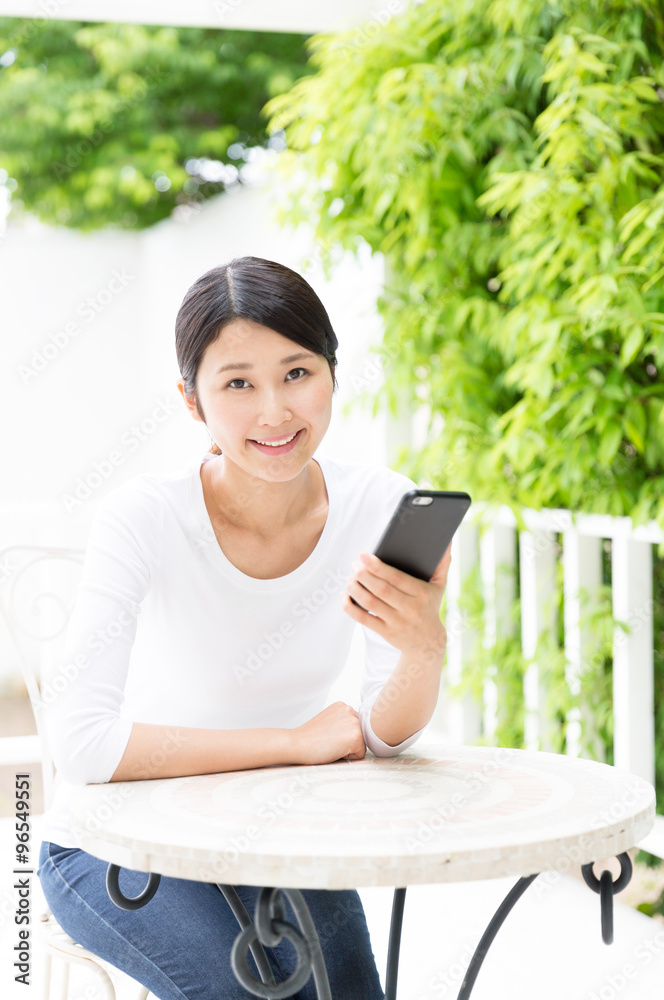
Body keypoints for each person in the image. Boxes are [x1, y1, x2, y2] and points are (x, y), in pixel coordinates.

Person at [37, 256, 451, 1000]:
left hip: (277, 835)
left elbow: (379, 737)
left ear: (331, 372)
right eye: (237, 383)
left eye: (297, 373)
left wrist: (425, 649)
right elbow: (82, 746)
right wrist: (293, 746)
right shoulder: (145, 518)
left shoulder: (379, 504)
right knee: (250, 995)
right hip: (116, 846)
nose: (275, 412)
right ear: (191, 400)